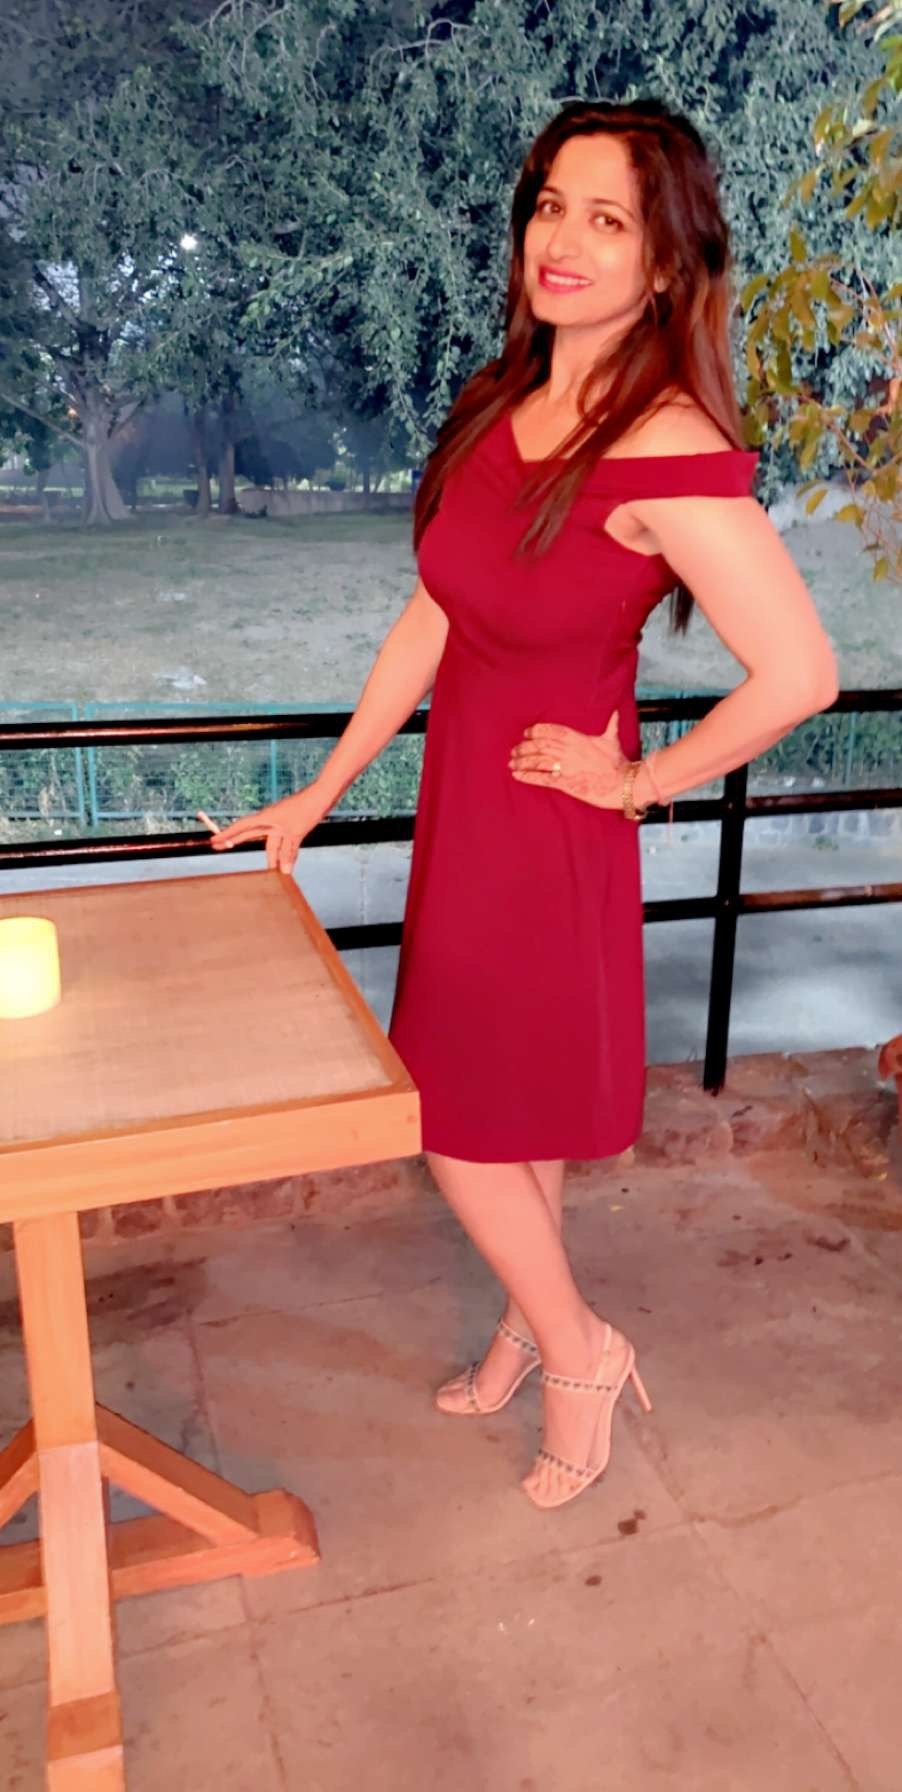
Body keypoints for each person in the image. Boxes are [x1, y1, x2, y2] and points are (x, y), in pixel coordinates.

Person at [211, 98, 839, 1511]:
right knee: (515, 1112)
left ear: (665, 264)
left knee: (454, 1121)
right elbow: (435, 613)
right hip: (467, 809)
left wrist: (638, 781)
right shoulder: (500, 402)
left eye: (607, 219)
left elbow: (801, 673)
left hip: (550, 824)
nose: (562, 240)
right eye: (551, 204)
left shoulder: (661, 441)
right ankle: (525, 1319)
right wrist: (322, 788)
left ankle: (580, 1351)